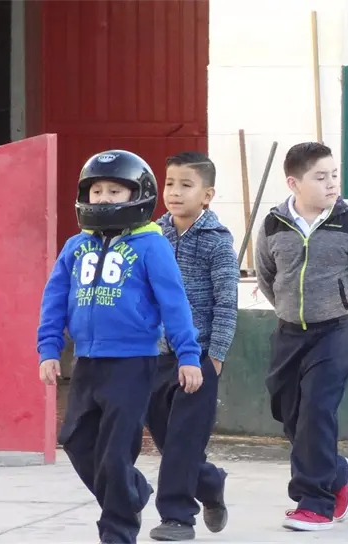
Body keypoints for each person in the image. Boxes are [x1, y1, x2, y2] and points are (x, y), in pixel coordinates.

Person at [37, 150, 203, 544]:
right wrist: (48, 349)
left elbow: (174, 302)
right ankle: (131, 493)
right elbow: (55, 298)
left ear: (138, 195)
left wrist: (188, 355)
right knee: (76, 440)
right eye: (97, 190)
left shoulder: (152, 245)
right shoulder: (75, 247)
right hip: (88, 362)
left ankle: (117, 531)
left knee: (115, 454)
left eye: (115, 190)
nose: (105, 198)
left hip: (132, 363)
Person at [255, 142, 348, 531]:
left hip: (338, 330)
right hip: (289, 331)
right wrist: (287, 307)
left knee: (316, 411)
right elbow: (266, 275)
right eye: (320, 177)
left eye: (334, 175)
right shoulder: (273, 224)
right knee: (288, 411)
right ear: (294, 182)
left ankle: (314, 501)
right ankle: (334, 472)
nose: (331, 184)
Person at [146, 152, 239, 541]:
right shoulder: (151, 235)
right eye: (170, 183)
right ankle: (210, 482)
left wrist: (214, 355)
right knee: (170, 445)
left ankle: (178, 518)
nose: (175, 192)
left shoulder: (217, 241)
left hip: (198, 358)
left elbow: (226, 302)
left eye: (186, 185)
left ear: (207, 195)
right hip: (154, 358)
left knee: (184, 441)